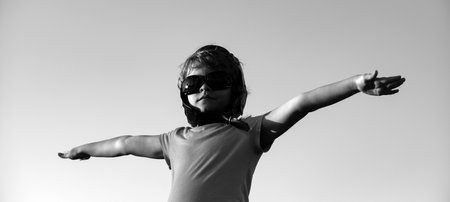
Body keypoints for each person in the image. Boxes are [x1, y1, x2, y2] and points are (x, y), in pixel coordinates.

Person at [58, 45, 406, 202]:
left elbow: (302, 104)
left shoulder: (251, 131)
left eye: (216, 80)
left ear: (234, 89)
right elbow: (125, 143)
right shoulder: (173, 140)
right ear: (185, 94)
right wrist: (82, 149)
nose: (204, 87)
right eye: (194, 84)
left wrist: (355, 84)